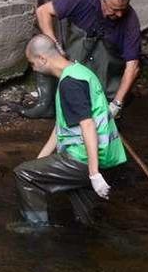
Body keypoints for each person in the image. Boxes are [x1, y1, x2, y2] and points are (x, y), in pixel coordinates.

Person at [12, 34, 127, 230]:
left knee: (24, 174)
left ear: (42, 59)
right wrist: (39, 162)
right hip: (107, 154)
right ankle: (98, 236)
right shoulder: (79, 71)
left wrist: (93, 173)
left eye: (32, 63)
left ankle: (37, 230)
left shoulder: (70, 84)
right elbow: (60, 128)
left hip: (84, 159)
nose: (33, 68)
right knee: (87, 220)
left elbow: (88, 125)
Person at [36, 0, 141, 119]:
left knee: (104, 106)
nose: (119, 14)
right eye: (114, 10)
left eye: (123, 9)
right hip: (75, 65)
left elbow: (133, 66)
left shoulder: (130, 20)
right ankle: (48, 104)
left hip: (105, 79)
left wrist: (116, 104)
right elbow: (43, 11)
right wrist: (54, 45)